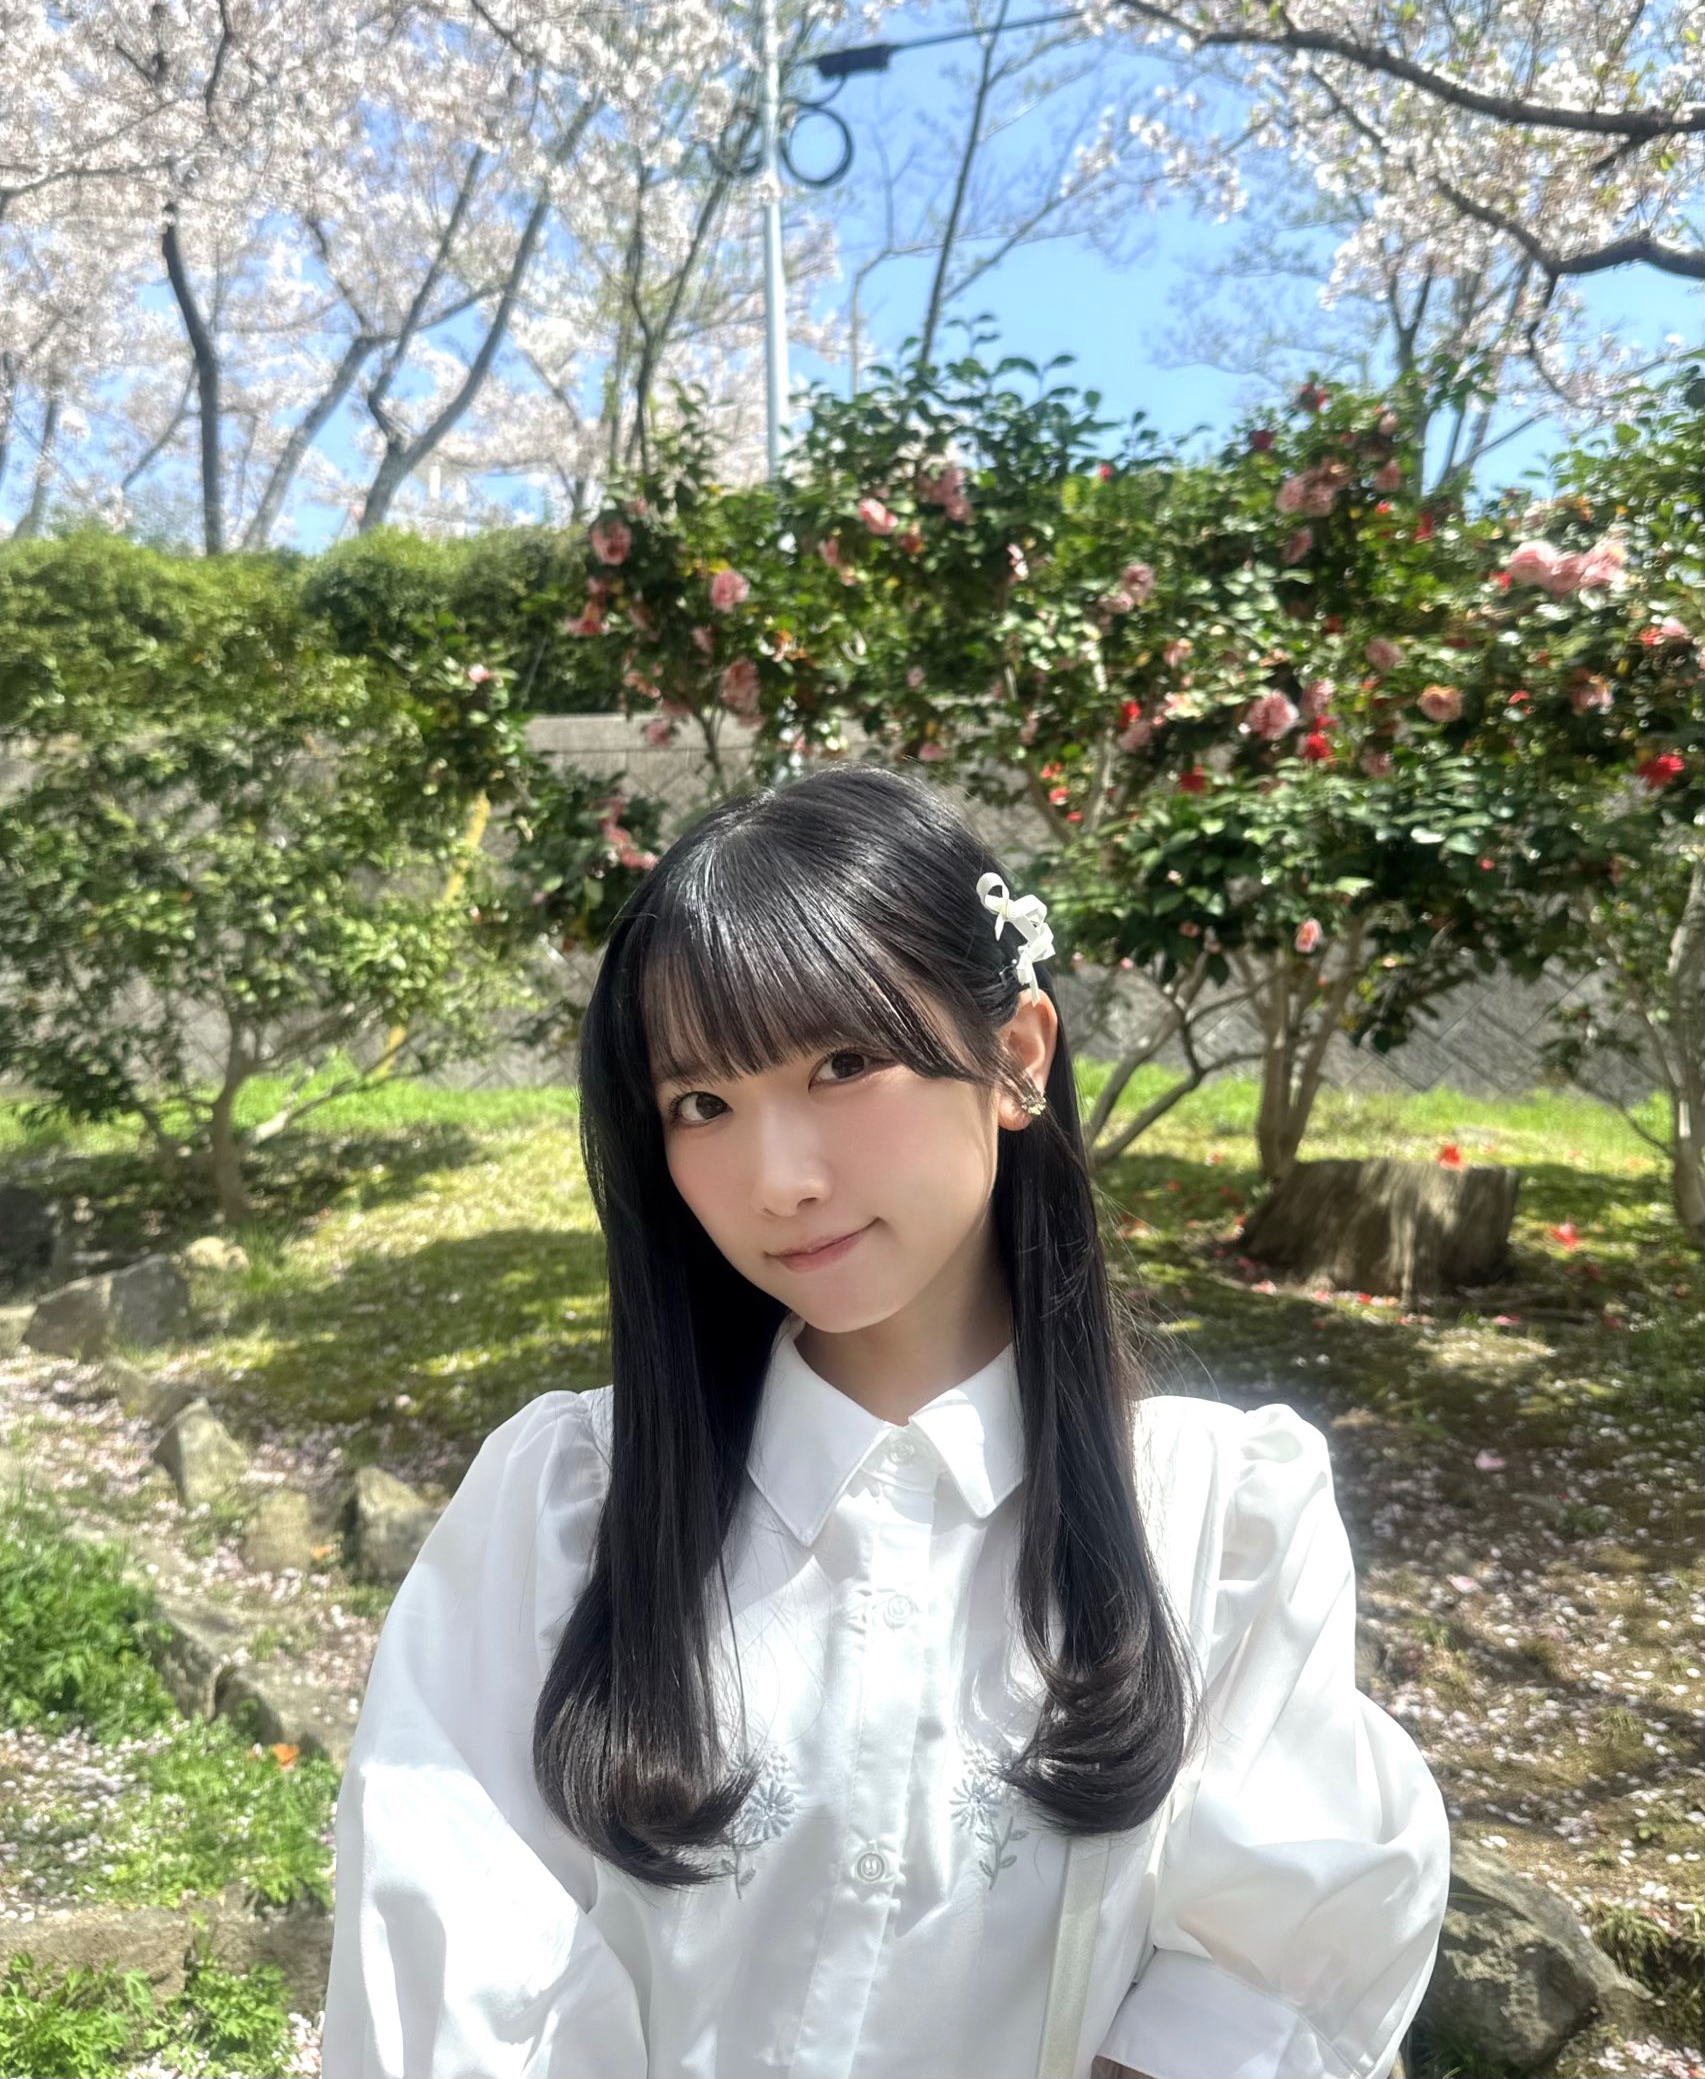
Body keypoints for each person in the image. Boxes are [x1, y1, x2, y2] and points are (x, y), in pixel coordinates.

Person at [321, 760, 1451, 2078]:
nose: (777, 1180)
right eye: (702, 1104)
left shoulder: (1218, 1524)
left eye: (844, 1062)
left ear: (1015, 1056)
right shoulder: (568, 1505)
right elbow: (456, 1958)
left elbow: (1267, 1967)